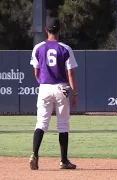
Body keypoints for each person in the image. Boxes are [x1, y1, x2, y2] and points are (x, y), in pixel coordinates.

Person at [29, 17, 78, 170]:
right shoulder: (65, 48)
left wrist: (43, 82)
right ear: (59, 30)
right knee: (63, 124)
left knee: (41, 123)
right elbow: (70, 74)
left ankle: (34, 154)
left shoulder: (38, 47)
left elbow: (36, 72)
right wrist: (75, 94)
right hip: (61, 88)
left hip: (44, 87)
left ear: (46, 30)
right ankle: (63, 161)